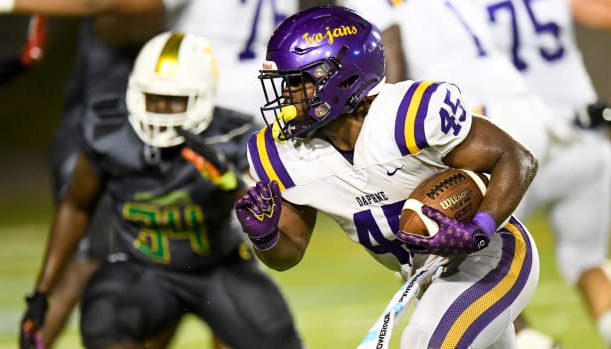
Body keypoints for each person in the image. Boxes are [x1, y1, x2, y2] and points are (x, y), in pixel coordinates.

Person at [0, 1, 299, 347]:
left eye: (174, 101)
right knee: (104, 319)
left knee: (273, 334)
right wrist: (41, 293)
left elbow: (282, 237)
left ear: (202, 100)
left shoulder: (232, 138)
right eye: (151, 98)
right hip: (142, 272)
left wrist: (232, 183)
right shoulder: (110, 134)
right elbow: (75, 207)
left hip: (217, 269)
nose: (160, 111)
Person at [233, 5, 540, 348]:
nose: (287, 96)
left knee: (422, 341)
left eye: (298, 82)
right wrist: (265, 237)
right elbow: (289, 254)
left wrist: (479, 229)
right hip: (426, 278)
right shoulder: (283, 153)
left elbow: (516, 158)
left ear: (342, 78)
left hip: (491, 252)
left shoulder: (407, 116)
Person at [469, 0, 611, 346]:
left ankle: (531, 341)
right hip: (582, 135)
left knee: (476, 265)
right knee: (588, 262)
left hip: (513, 145)